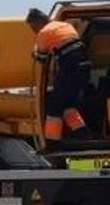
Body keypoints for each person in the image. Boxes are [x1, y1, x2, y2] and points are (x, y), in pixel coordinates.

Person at [25, 7, 89, 143]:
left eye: (33, 27)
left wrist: (35, 50)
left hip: (70, 69)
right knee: (68, 106)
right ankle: (82, 135)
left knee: (54, 107)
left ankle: (52, 142)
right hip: (83, 68)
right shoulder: (65, 26)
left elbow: (41, 58)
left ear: (39, 22)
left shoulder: (45, 32)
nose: (34, 31)